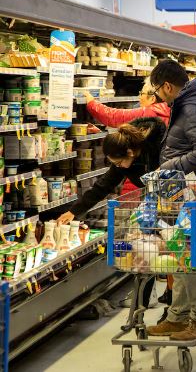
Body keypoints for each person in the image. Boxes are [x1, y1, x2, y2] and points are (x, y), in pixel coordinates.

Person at [146, 60, 196, 341]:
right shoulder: (190, 103)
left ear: (167, 86)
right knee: (182, 255)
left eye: (157, 91)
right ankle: (178, 316)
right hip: (192, 194)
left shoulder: (192, 107)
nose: (158, 97)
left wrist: (169, 167)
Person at [56, 118, 166, 308]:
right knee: (150, 250)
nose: (119, 166)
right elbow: (102, 187)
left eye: (119, 161)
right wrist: (74, 212)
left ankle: (166, 298)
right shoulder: (123, 162)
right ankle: (144, 299)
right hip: (151, 205)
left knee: (172, 249)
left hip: (174, 201)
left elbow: (159, 128)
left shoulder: (158, 146)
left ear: (130, 153)